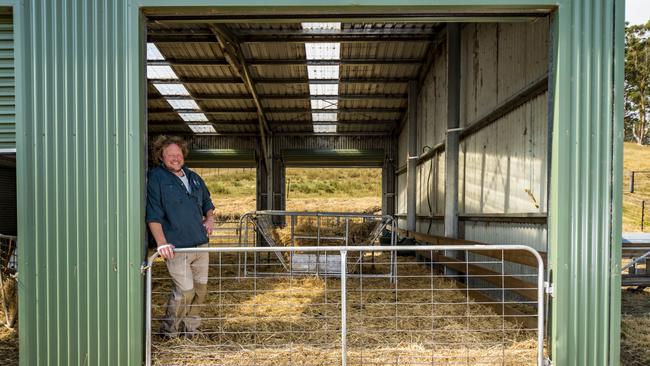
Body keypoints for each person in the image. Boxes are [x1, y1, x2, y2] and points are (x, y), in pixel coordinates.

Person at [145, 135, 215, 338]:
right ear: (161, 156)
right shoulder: (156, 178)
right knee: (185, 291)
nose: (175, 158)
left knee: (200, 291)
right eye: (170, 155)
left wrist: (210, 219)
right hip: (177, 248)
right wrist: (161, 243)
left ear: (183, 154)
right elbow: (153, 214)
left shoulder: (193, 177)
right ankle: (170, 333)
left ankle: (190, 331)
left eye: (178, 154)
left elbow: (207, 203)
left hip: (201, 245)